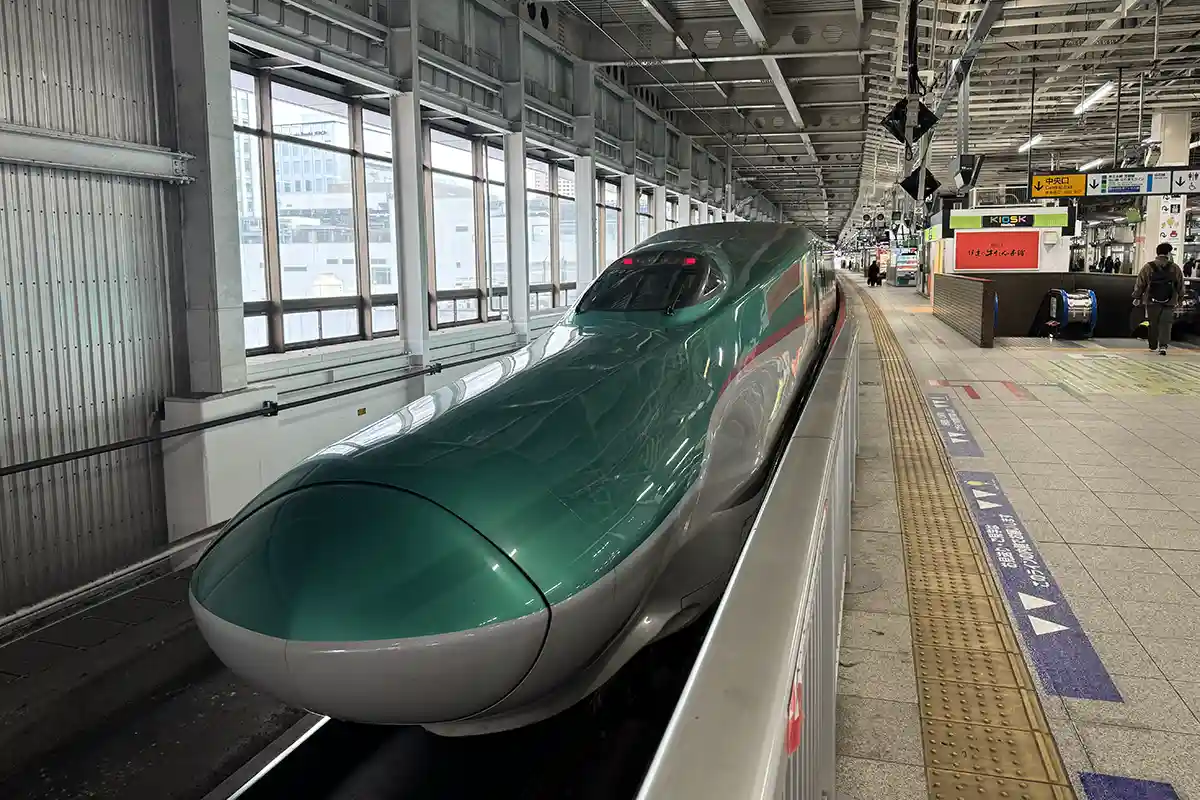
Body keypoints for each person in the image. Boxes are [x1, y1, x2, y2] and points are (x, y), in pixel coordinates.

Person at [1132, 242, 1185, 354]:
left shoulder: (1148, 266)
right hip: (1170, 301)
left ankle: (1153, 345)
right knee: (1166, 323)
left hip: (1151, 300)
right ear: (1168, 253)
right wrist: (1180, 299)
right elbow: (1180, 284)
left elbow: (1140, 283)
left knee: (1153, 323)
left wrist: (1137, 296)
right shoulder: (1174, 268)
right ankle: (1163, 346)